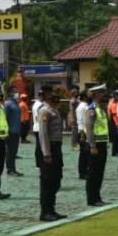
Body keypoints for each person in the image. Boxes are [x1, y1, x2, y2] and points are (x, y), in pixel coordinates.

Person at [36, 86, 67, 222]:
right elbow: (43, 134)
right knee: (47, 181)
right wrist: (46, 153)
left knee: (56, 179)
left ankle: (52, 209)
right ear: (48, 96)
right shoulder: (44, 111)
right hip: (48, 149)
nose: (56, 96)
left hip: (56, 147)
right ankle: (45, 212)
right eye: (54, 94)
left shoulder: (54, 110)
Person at [82, 85, 110, 207]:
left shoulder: (101, 109)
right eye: (101, 93)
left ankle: (97, 196)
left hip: (102, 143)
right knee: (93, 173)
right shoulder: (92, 109)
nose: (104, 95)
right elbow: (89, 129)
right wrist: (92, 145)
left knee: (99, 172)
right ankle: (92, 199)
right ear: (95, 95)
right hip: (95, 145)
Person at [5, 92, 23, 177]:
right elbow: (6, 117)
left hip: (17, 130)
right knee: (10, 151)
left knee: (14, 151)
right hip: (11, 131)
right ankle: (10, 169)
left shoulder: (16, 103)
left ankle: (13, 168)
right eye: (14, 91)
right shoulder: (8, 104)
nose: (17, 93)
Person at [75, 91, 90, 180]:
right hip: (83, 133)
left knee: (86, 154)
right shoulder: (82, 107)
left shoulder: (86, 106)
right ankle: (82, 173)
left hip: (85, 132)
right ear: (84, 97)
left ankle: (85, 171)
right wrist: (82, 136)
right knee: (84, 155)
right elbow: (80, 122)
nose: (90, 96)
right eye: (89, 94)